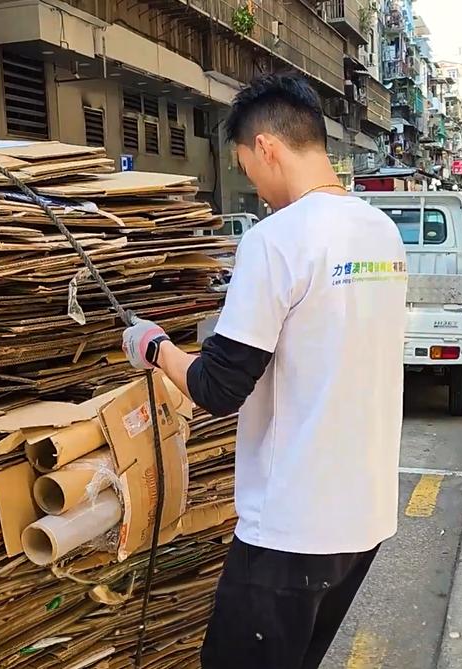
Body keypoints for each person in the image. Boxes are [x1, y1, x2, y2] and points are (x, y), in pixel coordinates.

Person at [121, 72, 408, 669]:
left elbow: (217, 386)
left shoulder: (275, 240)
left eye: (245, 165)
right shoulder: (381, 232)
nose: (250, 182)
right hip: (365, 518)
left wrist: (153, 346)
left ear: (267, 148)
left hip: (291, 530)